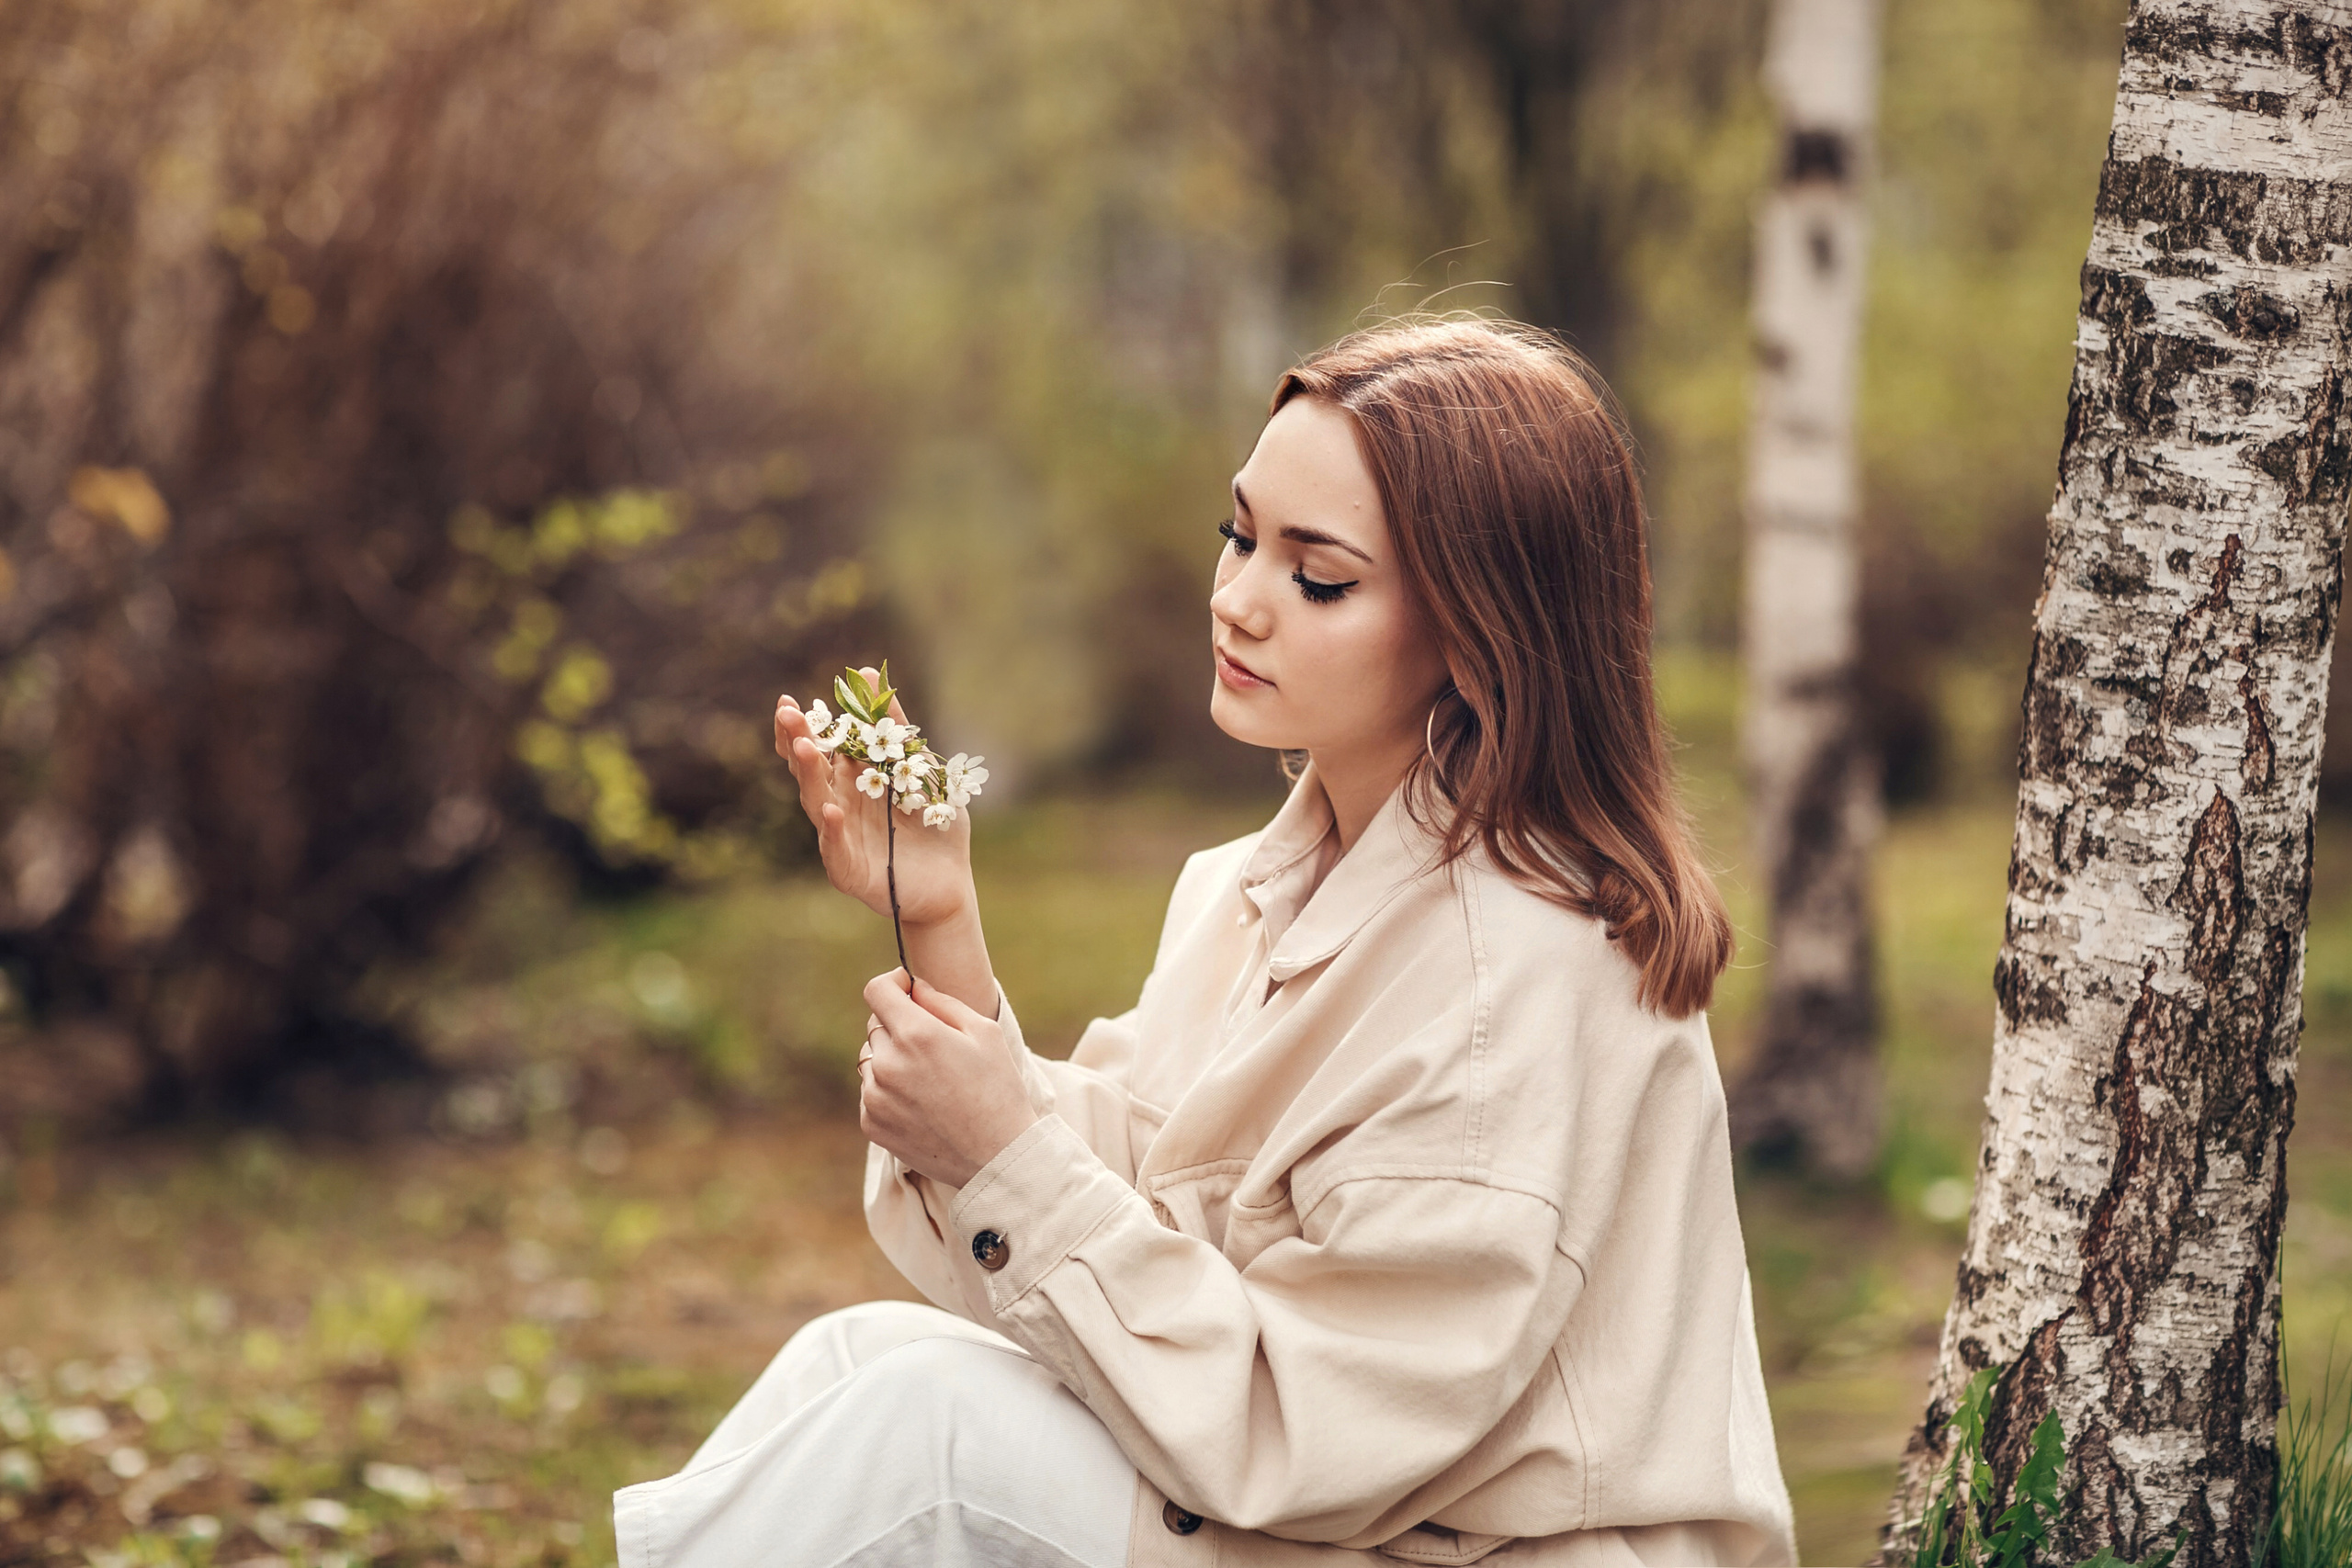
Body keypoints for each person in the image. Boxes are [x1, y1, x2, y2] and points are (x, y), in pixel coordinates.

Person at [614, 318, 1796, 1567]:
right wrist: (939, 920)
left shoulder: (1517, 986)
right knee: (854, 1359)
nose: (1236, 600)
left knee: (930, 1437)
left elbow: (1311, 1430)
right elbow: (1149, 1200)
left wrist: (1002, 1152)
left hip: (1458, 1546)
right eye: (1239, 535)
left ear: (1480, 628)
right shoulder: (1255, 887)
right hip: (1350, 1527)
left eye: (1317, 575)